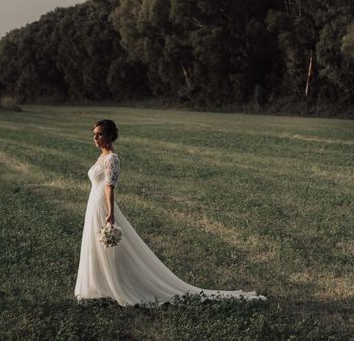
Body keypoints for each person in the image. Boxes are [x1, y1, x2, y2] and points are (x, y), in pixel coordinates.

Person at [74, 119, 265, 307]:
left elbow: (110, 186)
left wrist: (111, 212)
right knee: (96, 246)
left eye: (100, 134)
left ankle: (120, 285)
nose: (96, 137)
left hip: (102, 205)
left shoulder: (112, 158)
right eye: (94, 134)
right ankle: (100, 286)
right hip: (93, 203)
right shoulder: (101, 157)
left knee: (112, 248)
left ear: (109, 136)